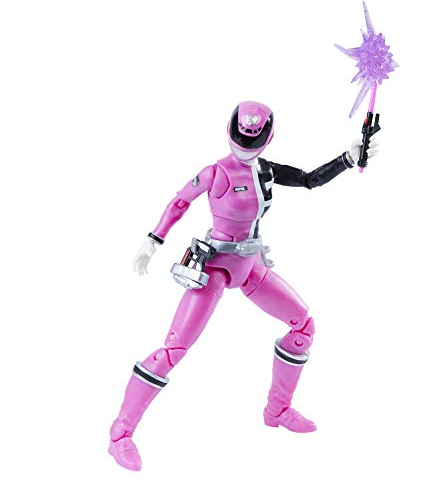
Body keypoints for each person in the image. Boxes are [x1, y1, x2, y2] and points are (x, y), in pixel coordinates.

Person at [109, 100, 379, 471]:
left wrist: (348, 158)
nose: (247, 142)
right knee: (173, 350)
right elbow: (179, 202)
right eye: (243, 134)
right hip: (216, 267)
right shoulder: (214, 172)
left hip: (251, 265)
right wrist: (153, 240)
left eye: (254, 136)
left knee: (303, 326)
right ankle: (120, 434)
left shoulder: (266, 171)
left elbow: (308, 179)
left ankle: (277, 410)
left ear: (269, 137)